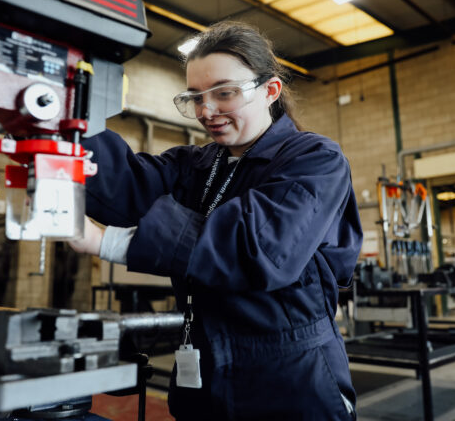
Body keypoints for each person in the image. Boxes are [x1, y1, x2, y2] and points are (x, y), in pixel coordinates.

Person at [70, 21, 362, 420]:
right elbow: (128, 186)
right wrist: (65, 125)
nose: (206, 111)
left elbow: (259, 248)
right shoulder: (198, 164)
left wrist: (105, 243)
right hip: (205, 379)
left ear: (270, 90)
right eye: (195, 97)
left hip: (290, 386)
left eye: (224, 93)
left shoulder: (315, 162)